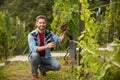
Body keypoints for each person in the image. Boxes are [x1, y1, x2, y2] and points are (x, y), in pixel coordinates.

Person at [28, 15, 67, 80]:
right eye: (40, 23)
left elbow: (60, 40)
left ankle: (42, 69)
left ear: (45, 23)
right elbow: (34, 49)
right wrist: (47, 46)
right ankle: (34, 74)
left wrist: (64, 33)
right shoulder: (31, 35)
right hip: (36, 57)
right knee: (34, 55)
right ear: (36, 23)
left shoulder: (49, 33)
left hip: (46, 57)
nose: (42, 24)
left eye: (43, 23)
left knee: (57, 66)